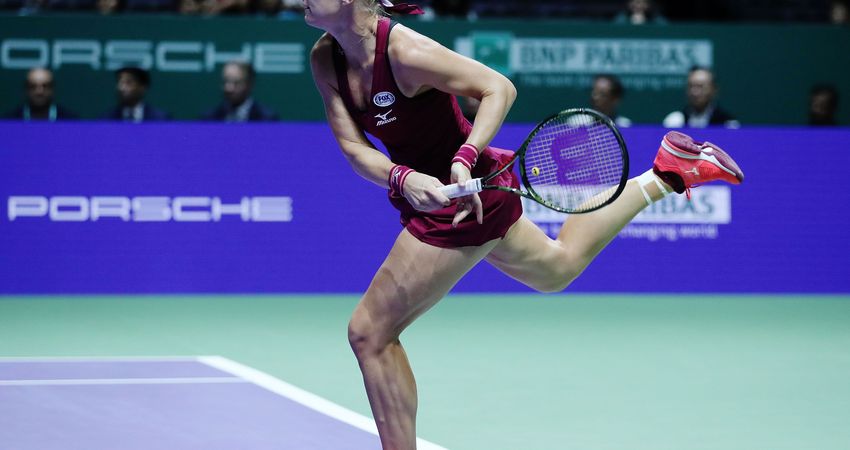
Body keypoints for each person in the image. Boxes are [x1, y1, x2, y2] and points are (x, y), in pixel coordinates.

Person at [305, 1, 744, 449]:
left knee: (370, 333)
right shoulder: (325, 58)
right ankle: (667, 173)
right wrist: (403, 176)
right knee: (556, 268)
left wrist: (466, 155)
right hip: (432, 194)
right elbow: (356, 151)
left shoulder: (406, 52)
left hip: (467, 199)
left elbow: (499, 89)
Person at [663, 66, 739, 128]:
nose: (694, 92)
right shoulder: (675, 122)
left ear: (714, 89)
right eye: (691, 86)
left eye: (700, 86)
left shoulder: (727, 124)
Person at [201, 61, 279, 122]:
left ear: (249, 84)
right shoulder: (208, 119)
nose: (229, 88)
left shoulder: (266, 119)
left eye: (236, 82)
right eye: (225, 81)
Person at [5, 68, 77, 121]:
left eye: (45, 86)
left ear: (52, 89)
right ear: (26, 89)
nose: (39, 91)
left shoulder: (70, 121)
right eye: (33, 86)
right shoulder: (9, 121)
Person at [101, 67, 170, 122]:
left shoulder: (160, 119)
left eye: (128, 82)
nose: (121, 88)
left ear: (142, 87)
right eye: (120, 82)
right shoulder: (106, 120)